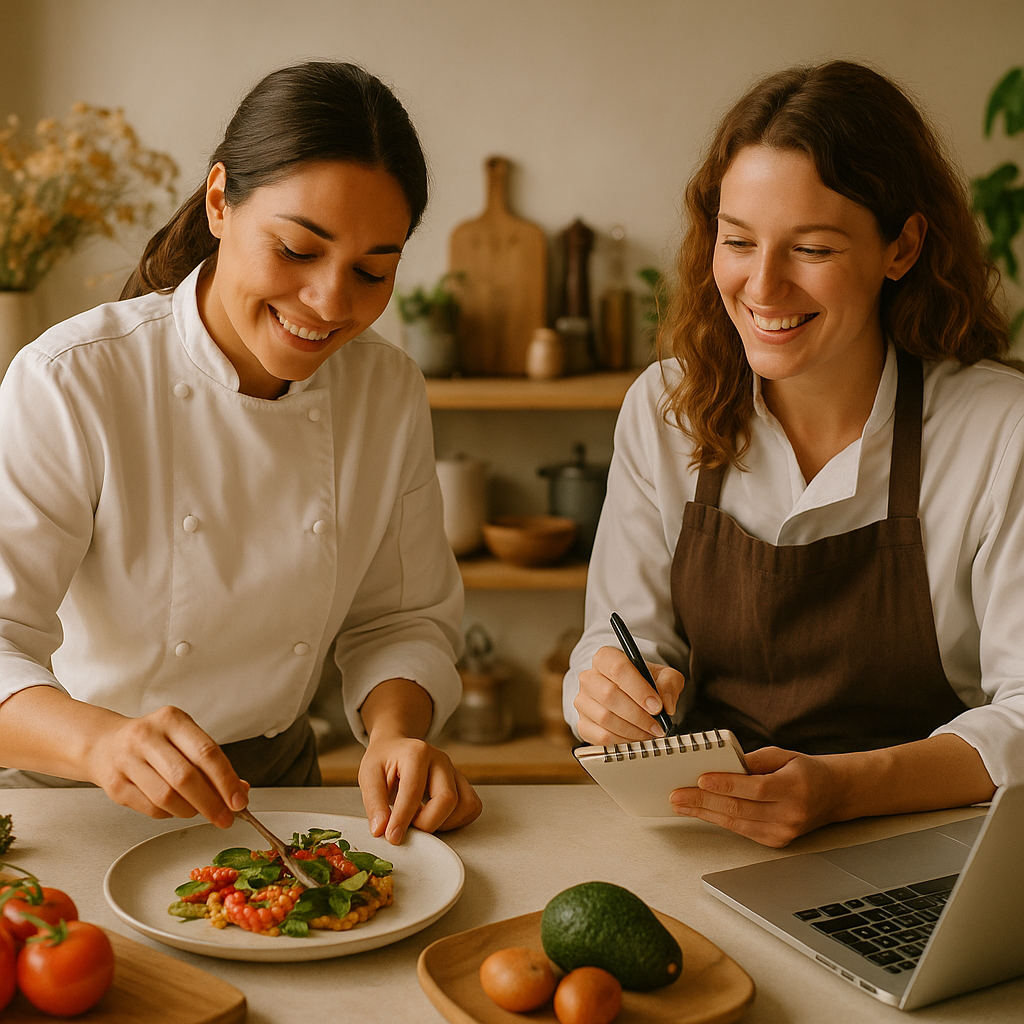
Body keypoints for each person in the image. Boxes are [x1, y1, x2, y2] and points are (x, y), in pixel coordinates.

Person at [0, 61, 482, 844]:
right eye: (297, 250)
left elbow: (399, 619)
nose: (330, 303)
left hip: (277, 793)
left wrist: (396, 732)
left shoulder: (386, 390)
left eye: (371, 272)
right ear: (220, 202)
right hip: (75, 802)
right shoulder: (72, 380)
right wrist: (99, 743)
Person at [565, 60, 1024, 848]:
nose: (763, 287)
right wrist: (604, 692)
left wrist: (844, 789)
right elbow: (619, 640)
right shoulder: (662, 409)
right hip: (711, 837)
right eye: (738, 241)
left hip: (926, 845)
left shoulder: (999, 428)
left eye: (811, 248)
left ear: (903, 246)